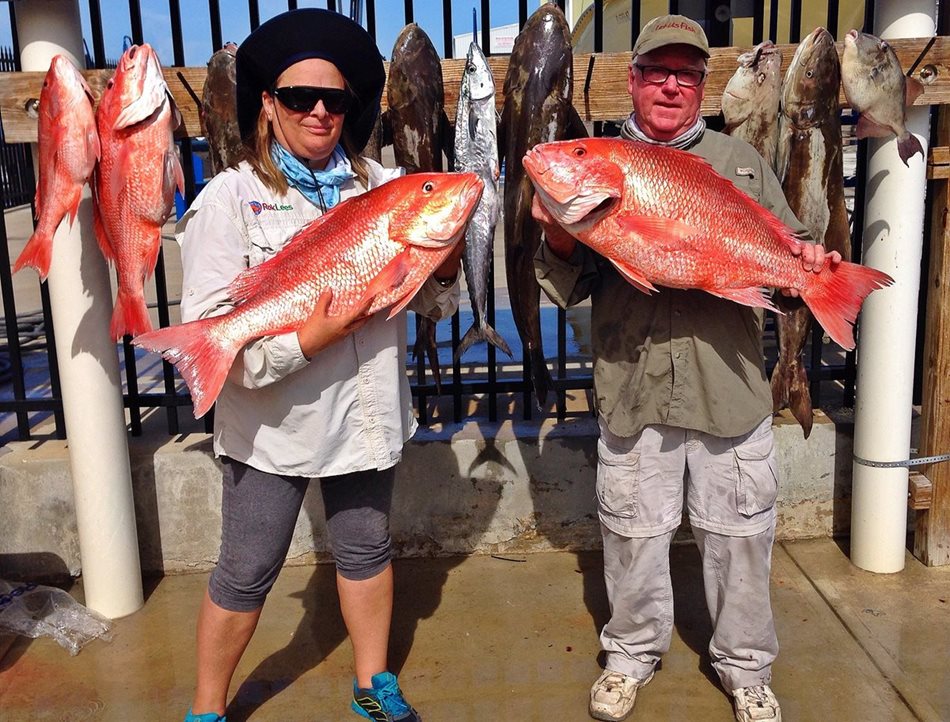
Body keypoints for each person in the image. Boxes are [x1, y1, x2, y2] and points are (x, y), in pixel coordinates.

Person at [533, 14, 840, 722]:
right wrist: (560, 236)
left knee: (740, 538)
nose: (671, 86)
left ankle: (746, 666)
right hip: (632, 385)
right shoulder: (599, 166)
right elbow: (568, 285)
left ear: (702, 85)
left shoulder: (740, 161)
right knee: (632, 536)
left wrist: (810, 266)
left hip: (727, 389)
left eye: (687, 75)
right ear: (633, 81)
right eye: (656, 72)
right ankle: (630, 654)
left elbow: (788, 247)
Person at [179, 9, 462, 722]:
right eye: (299, 98)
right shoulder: (229, 198)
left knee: (367, 547)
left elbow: (433, 308)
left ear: (350, 109)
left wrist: (444, 263)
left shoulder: (387, 185)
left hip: (365, 418)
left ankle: (373, 683)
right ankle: (207, 708)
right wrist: (310, 339)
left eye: (333, 100)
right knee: (246, 569)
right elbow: (218, 329)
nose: (318, 111)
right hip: (272, 427)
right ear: (268, 107)